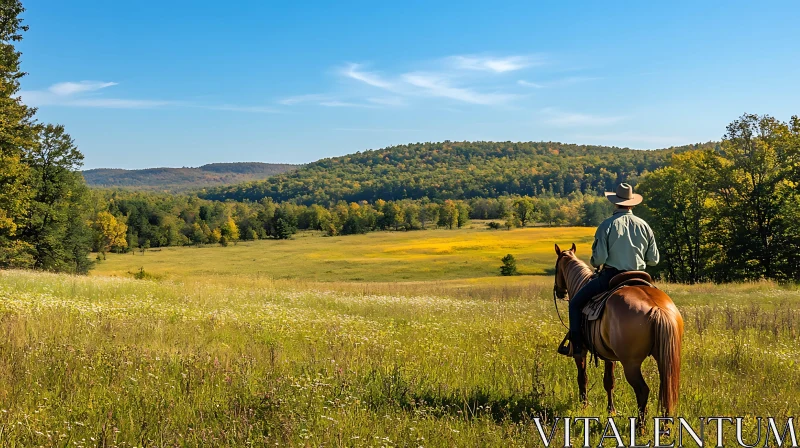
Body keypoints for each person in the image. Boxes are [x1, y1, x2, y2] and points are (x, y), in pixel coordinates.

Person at [557, 183, 660, 357]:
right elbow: (654, 260)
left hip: (613, 276)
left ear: (615, 202)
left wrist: (595, 260)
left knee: (574, 304)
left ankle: (577, 347)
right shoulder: (645, 226)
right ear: (632, 203)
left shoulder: (607, 225)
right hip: (642, 278)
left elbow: (599, 260)